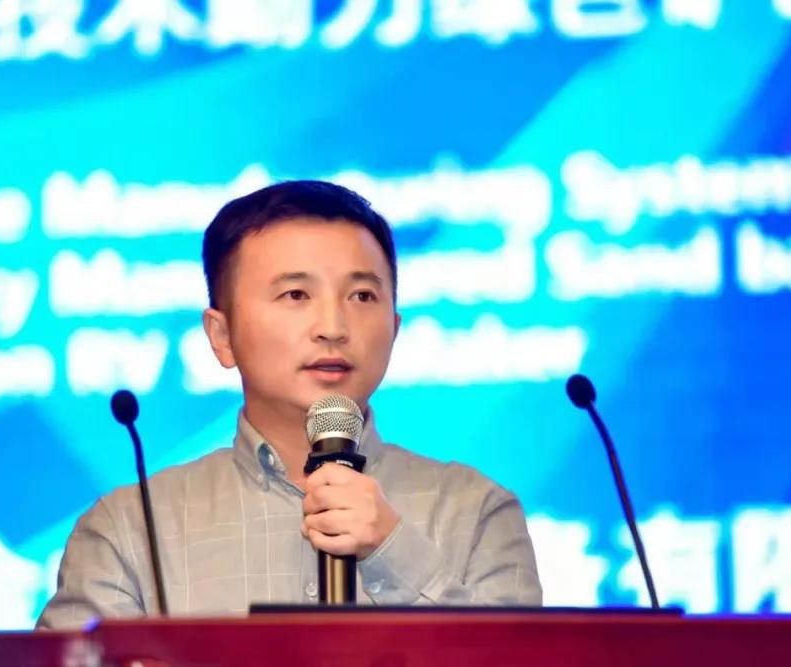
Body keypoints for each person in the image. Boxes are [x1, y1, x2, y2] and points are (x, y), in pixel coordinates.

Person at [37, 180, 541, 629]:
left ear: (394, 327)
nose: (333, 327)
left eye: (362, 296)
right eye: (297, 295)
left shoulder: (477, 512)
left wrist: (391, 551)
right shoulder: (129, 529)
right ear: (222, 336)